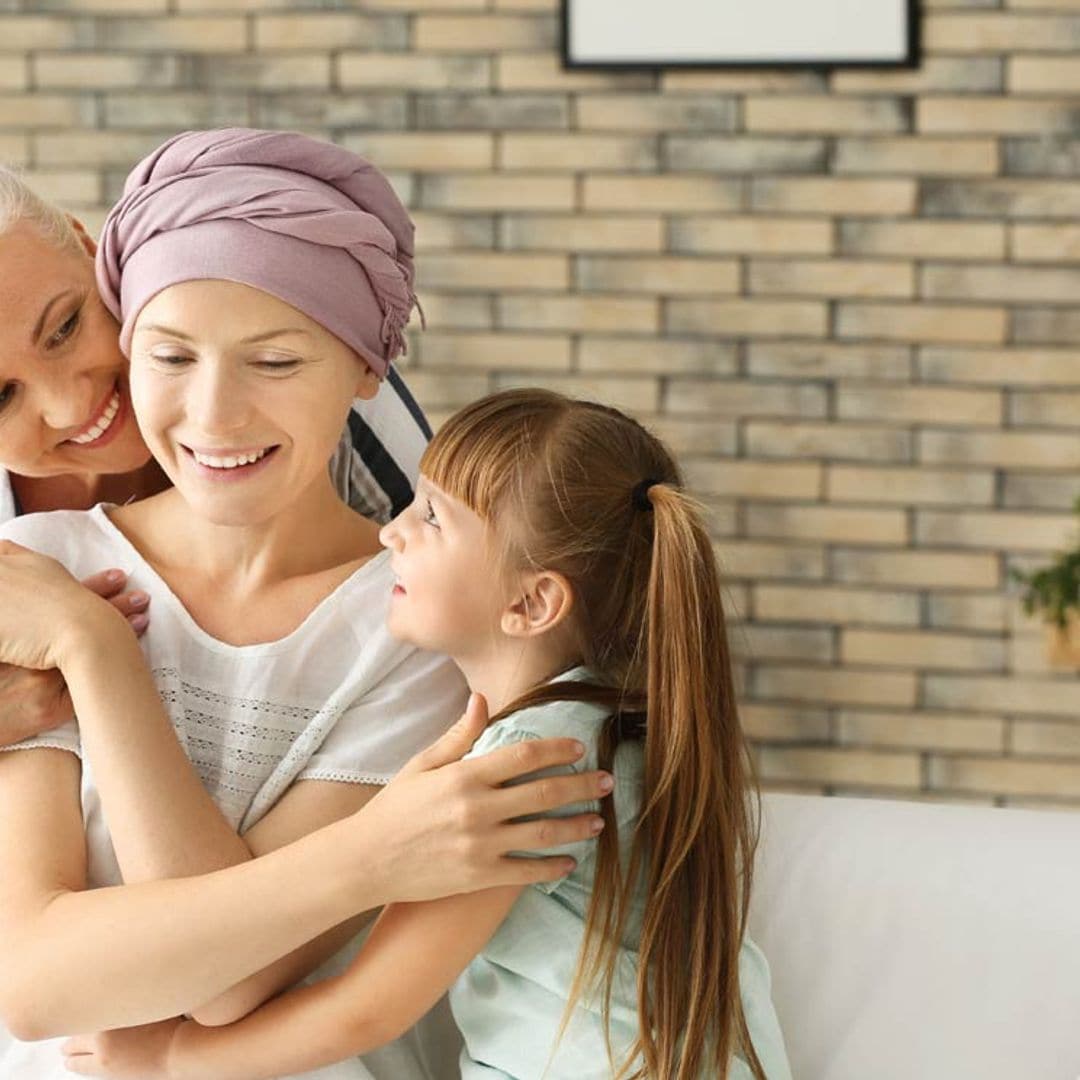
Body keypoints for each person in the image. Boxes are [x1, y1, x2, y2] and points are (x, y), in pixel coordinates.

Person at [0, 134, 613, 1080]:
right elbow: (36, 980)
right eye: (170, 356)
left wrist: (96, 653)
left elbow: (225, 985)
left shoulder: (412, 623)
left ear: (369, 369)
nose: (215, 415)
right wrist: (378, 850)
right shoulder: (45, 570)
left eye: (276, 362)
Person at [60, 388, 793, 1080]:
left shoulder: (531, 767)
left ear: (532, 601)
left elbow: (369, 1009)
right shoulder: (605, 725)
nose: (392, 532)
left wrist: (169, 1057)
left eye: (434, 519)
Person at [0, 157, 430, 746]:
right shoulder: (33, 547)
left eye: (66, 326)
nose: (70, 406)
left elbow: (480, 592)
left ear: (87, 246)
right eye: (1, 396)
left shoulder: (327, 404)